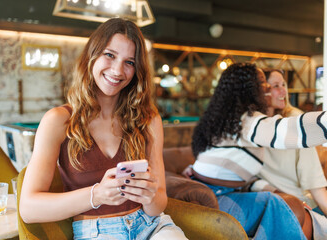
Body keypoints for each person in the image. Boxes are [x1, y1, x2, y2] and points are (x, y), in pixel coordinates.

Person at [19, 18, 187, 240]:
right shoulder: (58, 120)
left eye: (129, 62)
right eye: (110, 55)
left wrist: (150, 196)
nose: (118, 70)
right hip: (97, 232)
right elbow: (29, 209)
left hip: (152, 226)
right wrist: (96, 195)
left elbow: (157, 206)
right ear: (92, 55)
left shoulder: (148, 118)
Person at [183, 62, 327, 240]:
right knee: (278, 205)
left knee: (279, 203)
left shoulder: (224, 121)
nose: (266, 86)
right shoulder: (246, 121)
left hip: (211, 193)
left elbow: (232, 172)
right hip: (216, 198)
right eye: (261, 82)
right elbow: (288, 130)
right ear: (248, 89)